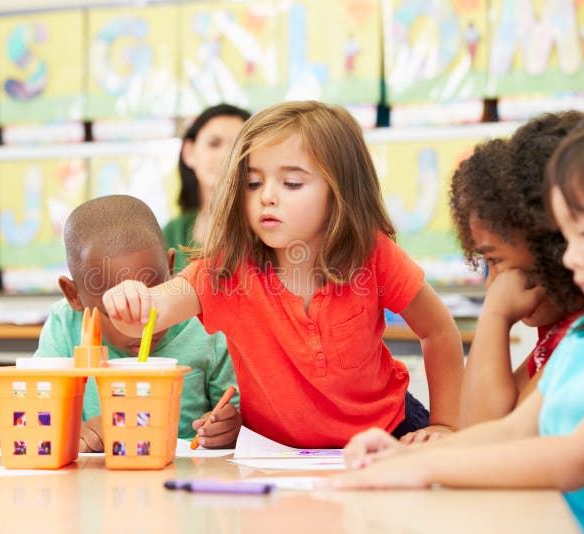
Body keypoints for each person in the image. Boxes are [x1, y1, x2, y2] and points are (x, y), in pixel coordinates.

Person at [332, 97, 584, 534]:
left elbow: (577, 458)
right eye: (564, 238)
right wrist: (407, 455)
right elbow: (512, 431)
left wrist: (425, 471)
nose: (569, 256)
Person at [103, 101, 465, 448]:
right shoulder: (227, 269)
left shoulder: (373, 253)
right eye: (253, 183)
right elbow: (152, 313)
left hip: (391, 431)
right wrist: (135, 300)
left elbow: (438, 330)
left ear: (340, 191)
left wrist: (445, 424)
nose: (267, 197)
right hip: (277, 456)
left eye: (291, 183)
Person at [34, 195, 240, 450]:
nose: (142, 328)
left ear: (172, 268)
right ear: (74, 295)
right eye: (116, 312)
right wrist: (75, 430)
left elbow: (240, 414)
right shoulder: (64, 326)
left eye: (151, 301)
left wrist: (232, 426)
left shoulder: (205, 323)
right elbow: (37, 411)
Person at [450, 112, 584, 427]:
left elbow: (487, 432)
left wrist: (496, 315)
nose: (492, 286)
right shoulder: (557, 329)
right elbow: (475, 425)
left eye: (496, 261)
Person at [163, 104, 251, 271]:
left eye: (238, 146)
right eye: (214, 144)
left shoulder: (266, 231)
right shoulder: (171, 233)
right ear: (189, 152)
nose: (226, 155)